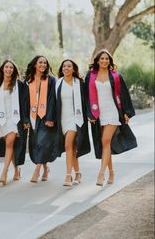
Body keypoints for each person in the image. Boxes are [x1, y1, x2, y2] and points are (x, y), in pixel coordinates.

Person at [85, 49, 137, 186]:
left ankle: (101, 174)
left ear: (110, 61)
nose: (104, 61)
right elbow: (86, 97)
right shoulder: (90, 76)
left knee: (106, 140)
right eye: (101, 59)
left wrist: (126, 112)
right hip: (98, 113)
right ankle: (112, 172)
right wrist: (89, 114)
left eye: (107, 59)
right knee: (104, 144)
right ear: (97, 61)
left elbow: (124, 94)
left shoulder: (116, 76)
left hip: (113, 112)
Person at [0, 60, 27, 185]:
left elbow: (24, 104)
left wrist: (25, 120)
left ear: (14, 70)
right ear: (2, 69)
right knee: (11, 146)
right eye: (6, 67)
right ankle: (16, 169)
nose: (9, 69)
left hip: (15, 119)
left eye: (11, 67)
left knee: (9, 144)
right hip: (2, 120)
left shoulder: (19, 85)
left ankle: (4, 172)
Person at [56, 59, 91, 187]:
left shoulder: (79, 83)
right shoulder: (58, 83)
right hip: (62, 119)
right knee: (72, 148)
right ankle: (78, 173)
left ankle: (68, 175)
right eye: (64, 66)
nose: (66, 68)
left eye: (69, 66)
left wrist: (90, 115)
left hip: (75, 118)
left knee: (68, 145)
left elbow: (87, 100)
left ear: (73, 68)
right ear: (62, 68)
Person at [23, 55, 57, 183]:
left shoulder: (51, 80)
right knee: (36, 143)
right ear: (35, 64)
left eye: (45, 63)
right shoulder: (27, 81)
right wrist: (25, 120)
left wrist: (50, 117)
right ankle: (45, 168)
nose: (43, 64)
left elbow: (52, 100)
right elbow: (24, 102)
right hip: (32, 116)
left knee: (43, 142)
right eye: (40, 62)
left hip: (45, 116)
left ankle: (36, 171)